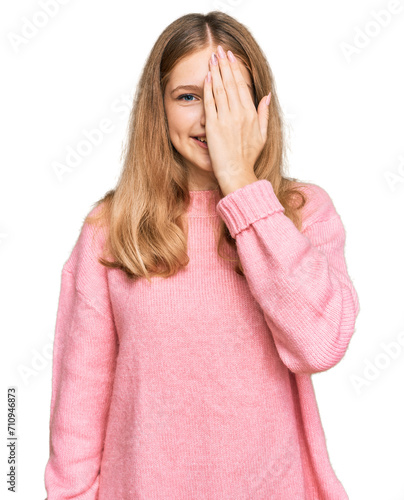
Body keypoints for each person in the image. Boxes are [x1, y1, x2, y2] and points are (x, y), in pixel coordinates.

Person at [44, 10, 360, 499]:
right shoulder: (110, 230)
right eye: (189, 97)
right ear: (160, 108)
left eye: (227, 96)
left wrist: (243, 185)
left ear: (259, 107)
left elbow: (319, 345)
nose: (211, 117)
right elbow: (76, 422)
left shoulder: (301, 213)